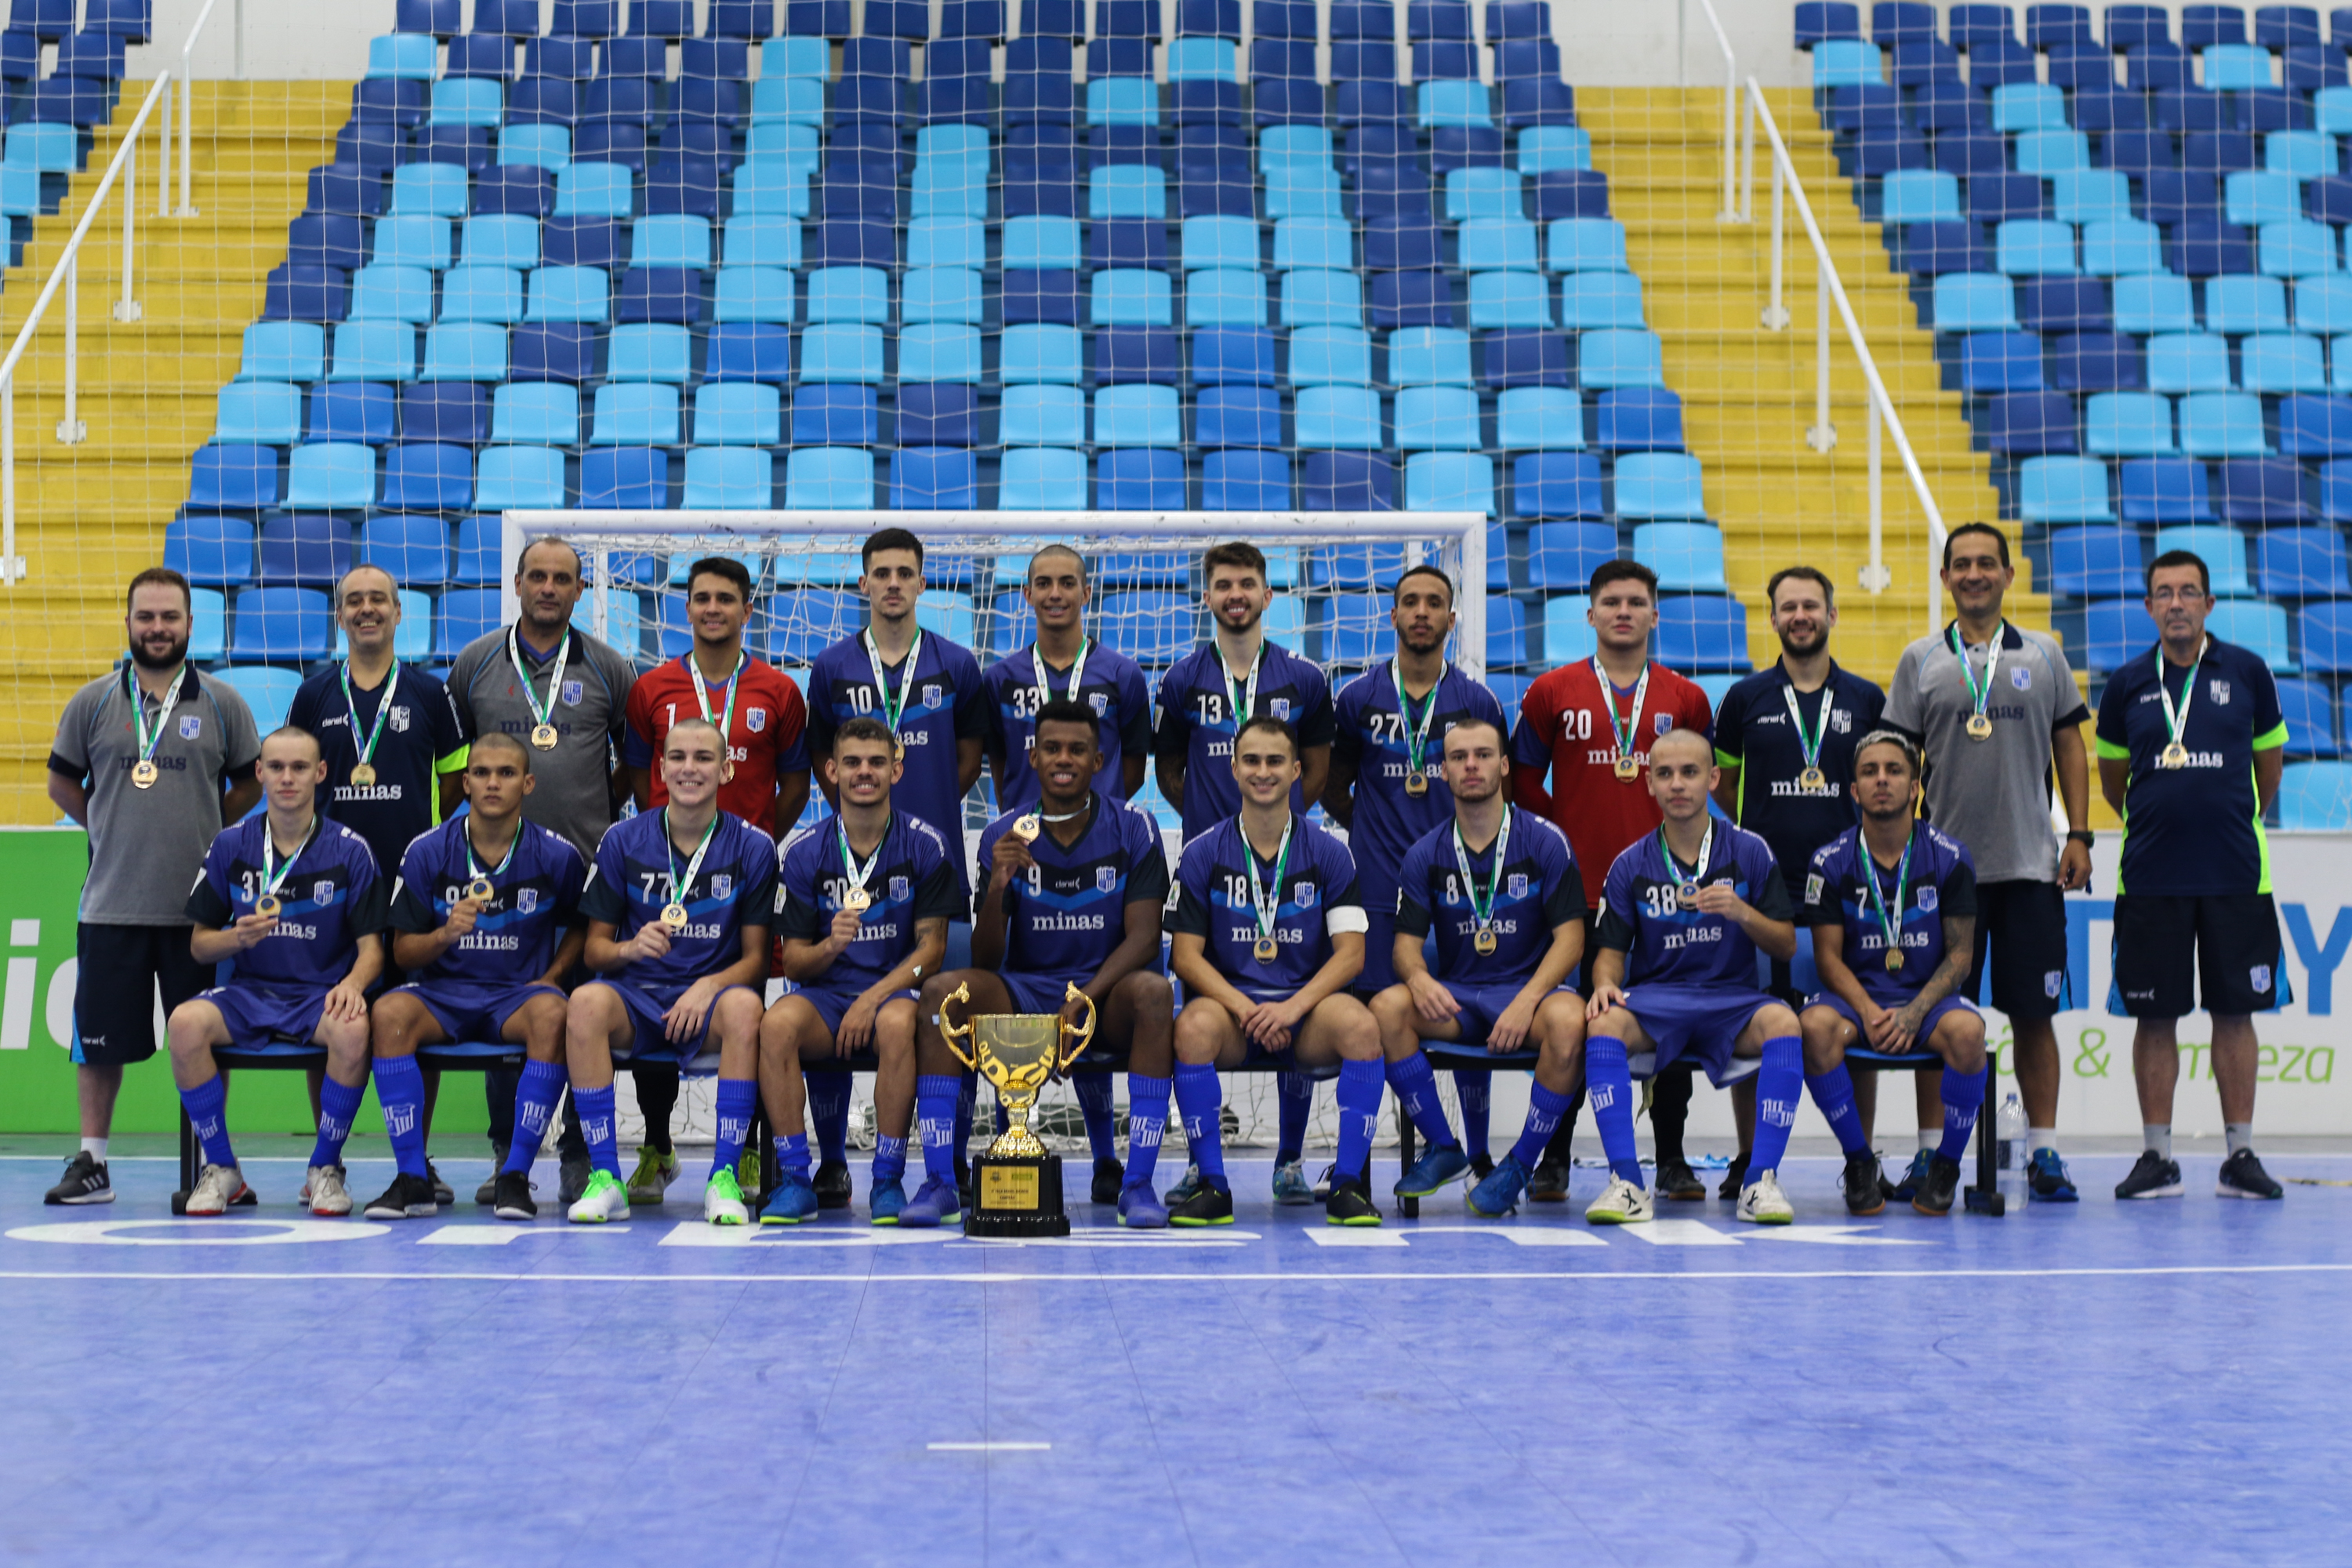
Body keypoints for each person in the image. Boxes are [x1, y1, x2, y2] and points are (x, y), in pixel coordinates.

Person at [1885, 522, 2093, 1203]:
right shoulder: (1920, 659)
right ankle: (1926, 1154)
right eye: (1961, 565)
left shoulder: (2046, 653)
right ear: (1945, 578)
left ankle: (2046, 1153)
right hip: (1943, 878)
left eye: (1986, 564)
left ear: (2007, 575)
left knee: (2035, 1017)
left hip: (2031, 867)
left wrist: (2079, 834)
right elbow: (1897, 764)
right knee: (1933, 1017)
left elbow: (2069, 747)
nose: (1974, 574)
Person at [43, 568, 261, 1205]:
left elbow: (248, 783)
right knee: (99, 1044)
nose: (158, 628)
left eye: (170, 617)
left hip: (197, 914)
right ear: (130, 622)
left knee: (204, 1041)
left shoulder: (223, 703)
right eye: (147, 617)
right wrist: (107, 825)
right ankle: (93, 1162)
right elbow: (62, 784)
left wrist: (210, 828)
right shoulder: (93, 702)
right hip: (111, 904)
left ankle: (212, 1164)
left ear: (192, 624)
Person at [915, 699, 1176, 1225]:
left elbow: (1146, 939)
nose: (1064, 759)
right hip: (1028, 992)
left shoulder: (1135, 827)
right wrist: (997, 888)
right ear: (1031, 758)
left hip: (1106, 993)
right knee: (943, 994)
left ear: (1098, 761)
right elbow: (988, 959)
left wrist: (1084, 1001)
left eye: (1078, 750)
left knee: (1155, 994)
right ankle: (942, 1182)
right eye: (1051, 748)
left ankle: (1139, 1184)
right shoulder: (1003, 835)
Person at [1509, 561, 1714, 1203]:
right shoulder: (1551, 692)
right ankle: (1556, 1159)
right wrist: (1558, 836)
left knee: (1670, 1018)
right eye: (1610, 602)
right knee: (1574, 1024)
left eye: (1635, 602)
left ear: (1655, 614)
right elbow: (1520, 781)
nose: (1622, 611)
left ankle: (1673, 1159)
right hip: (1577, 893)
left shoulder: (1687, 698)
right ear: (1590, 615)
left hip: (1663, 891)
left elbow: (1705, 784)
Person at [445, 535, 639, 1206]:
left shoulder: (610, 667)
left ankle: (582, 1158)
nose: (549, 588)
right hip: (497, 874)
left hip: (585, 876)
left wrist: (600, 817)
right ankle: (509, 1156)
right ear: (518, 583)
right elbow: (453, 767)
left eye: (562, 578)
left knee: (583, 1017)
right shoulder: (473, 664)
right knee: (510, 1008)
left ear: (580, 590)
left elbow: (633, 765)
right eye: (538, 577)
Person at [2095, 550, 2288, 1202]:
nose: (2176, 603)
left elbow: (2268, 768)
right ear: (2148, 607)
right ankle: (2158, 1157)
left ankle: (2240, 1155)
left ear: (2209, 604)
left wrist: (2226, 820)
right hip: (2151, 877)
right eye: (2163, 593)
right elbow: (2115, 783)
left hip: (2237, 876)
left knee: (2236, 1015)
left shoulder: (2250, 672)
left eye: (2188, 592)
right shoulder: (2125, 685)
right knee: (2157, 1020)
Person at [620, 554, 811, 1207]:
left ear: (746, 609)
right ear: (687, 607)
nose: (712, 609)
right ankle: (655, 1143)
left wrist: (756, 839)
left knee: (744, 1007)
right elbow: (637, 775)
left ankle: (750, 1149)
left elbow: (795, 785)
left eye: (725, 599)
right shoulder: (650, 690)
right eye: (701, 598)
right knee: (656, 994)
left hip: (743, 872)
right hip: (667, 876)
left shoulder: (780, 692)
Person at [803, 527, 985, 1206]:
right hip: (851, 864)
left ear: (922, 582)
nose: (892, 584)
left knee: (947, 1019)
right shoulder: (830, 669)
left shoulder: (957, 665)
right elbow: (829, 761)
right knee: (828, 1004)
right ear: (863, 584)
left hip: (932, 871)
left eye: (904, 573)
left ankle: (952, 1159)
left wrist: (920, 818)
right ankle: (829, 1162)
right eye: (880, 573)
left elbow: (969, 759)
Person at [1154, 542, 1337, 1206]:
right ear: (1208, 597)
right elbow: (1166, 768)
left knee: (1292, 983)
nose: (1236, 594)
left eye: (1248, 584)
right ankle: (1205, 1165)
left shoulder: (1305, 679)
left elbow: (1316, 764)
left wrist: (1278, 822)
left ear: (1268, 595)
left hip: (1285, 856)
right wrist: (1212, 822)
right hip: (1214, 860)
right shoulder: (1180, 681)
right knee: (1196, 1007)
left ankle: (1290, 1158)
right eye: (1223, 584)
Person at [286, 563, 469, 1204]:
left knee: (408, 1023)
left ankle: (414, 1161)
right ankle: (324, 1162)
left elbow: (453, 781)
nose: (366, 610)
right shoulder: (313, 695)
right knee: (329, 1014)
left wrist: (421, 845)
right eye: (354, 601)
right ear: (340, 616)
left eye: (378, 600)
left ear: (399, 613)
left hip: (412, 887)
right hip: (329, 890)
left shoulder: (428, 693)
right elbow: (295, 773)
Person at [1358, 717, 1589, 1218]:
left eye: (1483, 755)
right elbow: (1405, 948)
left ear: (1504, 765)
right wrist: (1419, 979)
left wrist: (1528, 1000)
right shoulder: (1425, 854)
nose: (1471, 766)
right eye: (1459, 757)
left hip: (1529, 996)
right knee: (1386, 1007)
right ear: (1442, 770)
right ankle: (1444, 1146)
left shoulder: (1546, 842)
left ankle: (1520, 1164)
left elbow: (1572, 941)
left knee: (1572, 1021)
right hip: (1461, 997)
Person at [1164, 715, 1385, 1227]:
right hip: (1233, 1014)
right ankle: (1213, 1186)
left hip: (1305, 1012)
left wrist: (1291, 1008)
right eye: (1252, 761)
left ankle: (1347, 1185)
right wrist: (1246, 1008)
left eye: (1275, 761)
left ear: (1297, 772)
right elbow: (1186, 957)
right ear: (1234, 770)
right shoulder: (1202, 853)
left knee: (1362, 1026)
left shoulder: (1331, 853)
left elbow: (1352, 954)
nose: (1263, 772)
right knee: (1192, 1028)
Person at [1708, 564, 1886, 1197]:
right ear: (1774, 617)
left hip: (1847, 888)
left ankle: (1859, 1158)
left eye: (1812, 604)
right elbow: (1722, 787)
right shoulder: (1745, 698)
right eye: (1788, 607)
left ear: (1832, 615)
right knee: (1755, 1023)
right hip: (1767, 890)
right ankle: (1751, 1156)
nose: (1801, 615)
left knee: (1844, 1023)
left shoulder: (1867, 699)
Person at [978, 544, 1153, 1188]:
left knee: (1099, 979)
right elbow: (999, 763)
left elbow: (1131, 766)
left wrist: (1095, 823)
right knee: (1022, 980)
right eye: (1042, 583)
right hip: (1029, 848)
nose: (1055, 593)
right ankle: (1006, 1152)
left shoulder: (1123, 675)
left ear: (1087, 592)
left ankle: (1113, 1159)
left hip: (1097, 841)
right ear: (1025, 595)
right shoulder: (998, 678)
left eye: (1067, 583)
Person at [360, 732, 590, 1221]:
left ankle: (514, 1176)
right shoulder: (426, 851)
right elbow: (401, 949)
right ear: (464, 782)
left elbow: (584, 925)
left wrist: (552, 974)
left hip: (516, 998)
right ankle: (412, 1177)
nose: (492, 783)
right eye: (481, 773)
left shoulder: (557, 855)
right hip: (442, 995)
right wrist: (445, 934)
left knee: (554, 1012)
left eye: (506, 774)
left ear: (527, 783)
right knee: (388, 1012)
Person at [1327, 565, 1509, 1180]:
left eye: (1435, 603)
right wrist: (1372, 829)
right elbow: (1332, 783)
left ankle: (1476, 1152)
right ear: (1394, 615)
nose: (1422, 612)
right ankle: (1376, 1157)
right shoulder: (1357, 699)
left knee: (1460, 1018)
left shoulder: (1476, 701)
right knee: (1383, 1018)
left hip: (1461, 887)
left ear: (1452, 620)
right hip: (1380, 888)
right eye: (1410, 602)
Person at [1580, 729, 1802, 1226]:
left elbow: (1785, 943)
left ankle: (1760, 1181)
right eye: (1665, 774)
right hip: (1658, 1002)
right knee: (1602, 1025)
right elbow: (1609, 955)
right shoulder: (1629, 863)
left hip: (1733, 1002)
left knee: (1785, 1025)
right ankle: (1626, 1183)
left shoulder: (1750, 851)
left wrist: (1743, 913)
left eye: (1689, 772)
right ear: (1649, 785)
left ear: (1713, 778)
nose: (1677, 784)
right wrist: (1604, 985)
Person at [166, 728, 389, 1217]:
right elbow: (200, 946)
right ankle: (223, 1169)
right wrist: (235, 938)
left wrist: (352, 986)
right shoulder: (229, 845)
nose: (288, 778)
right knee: (183, 1023)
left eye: (300, 768)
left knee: (354, 1028)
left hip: (319, 995)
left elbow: (373, 949)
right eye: (278, 768)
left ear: (320, 774)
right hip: (247, 993)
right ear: (260, 773)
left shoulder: (352, 851)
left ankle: (324, 1170)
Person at [564, 719, 777, 1225]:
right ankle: (605, 1177)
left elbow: (756, 960)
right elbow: (594, 951)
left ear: (726, 770)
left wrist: (708, 986)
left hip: (711, 1003)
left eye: (704, 758)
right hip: (637, 999)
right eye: (677, 757)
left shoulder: (753, 847)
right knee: (584, 1003)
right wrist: (630, 949)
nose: (689, 768)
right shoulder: (622, 841)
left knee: (747, 1007)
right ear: (660, 769)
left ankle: (723, 1175)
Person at [762, 718, 958, 1225]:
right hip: (825, 997)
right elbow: (797, 960)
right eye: (851, 763)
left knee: (896, 1025)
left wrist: (872, 998)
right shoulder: (803, 853)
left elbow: (931, 951)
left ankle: (888, 1179)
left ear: (897, 768)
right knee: (777, 1024)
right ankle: (795, 1180)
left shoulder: (926, 845)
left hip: (893, 995)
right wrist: (831, 945)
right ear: (831, 770)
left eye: (875, 762)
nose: (864, 772)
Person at [1797, 731, 1988, 1218]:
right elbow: (1827, 960)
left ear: (1915, 786)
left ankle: (1946, 1165)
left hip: (1927, 1002)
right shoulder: (1829, 861)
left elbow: (1962, 957)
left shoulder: (1950, 856)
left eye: (1895, 770)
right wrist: (1869, 1010)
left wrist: (1914, 1012)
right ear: (1855, 790)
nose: (1882, 779)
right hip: (1856, 1001)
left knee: (1969, 1033)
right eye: (1869, 771)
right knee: (1814, 1028)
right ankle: (1860, 1163)